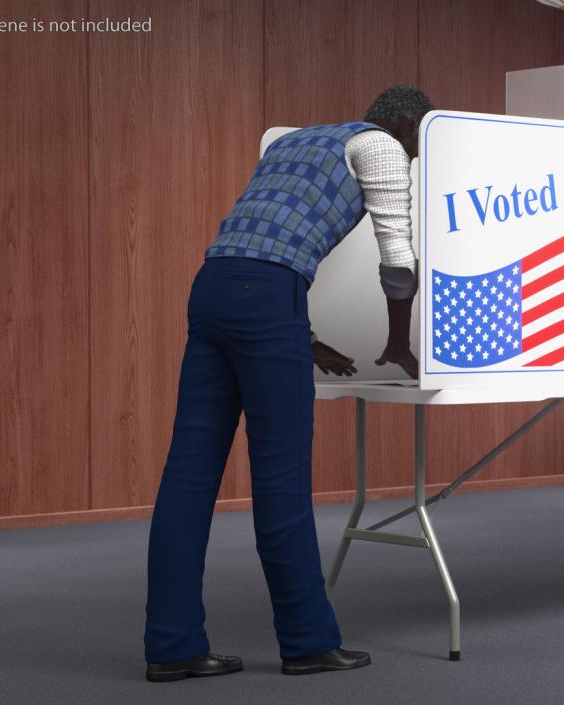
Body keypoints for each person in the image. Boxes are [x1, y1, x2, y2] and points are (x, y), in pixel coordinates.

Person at [143, 85, 433, 682]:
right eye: (416, 144)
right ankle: (305, 641)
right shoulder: (380, 146)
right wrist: (399, 342)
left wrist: (301, 335)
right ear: (403, 125)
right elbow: (398, 256)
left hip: (214, 286)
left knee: (188, 476)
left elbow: (260, 239)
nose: (412, 159)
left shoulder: (297, 141)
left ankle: (171, 645)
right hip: (267, 295)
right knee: (281, 477)